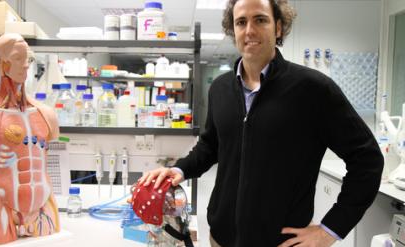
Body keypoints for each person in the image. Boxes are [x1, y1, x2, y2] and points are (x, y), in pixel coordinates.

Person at [138, 0, 384, 246]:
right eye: (241, 22)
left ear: (278, 27)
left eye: (260, 20)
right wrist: (179, 170)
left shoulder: (314, 90)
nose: (249, 31)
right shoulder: (221, 89)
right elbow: (211, 145)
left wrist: (330, 230)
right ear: (232, 29)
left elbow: (367, 160)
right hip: (220, 238)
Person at [0, 33, 60, 245]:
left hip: (42, 203)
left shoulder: (46, 113)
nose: (25, 65)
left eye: (27, 59)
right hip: (2, 200)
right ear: (2, 63)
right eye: (18, 58)